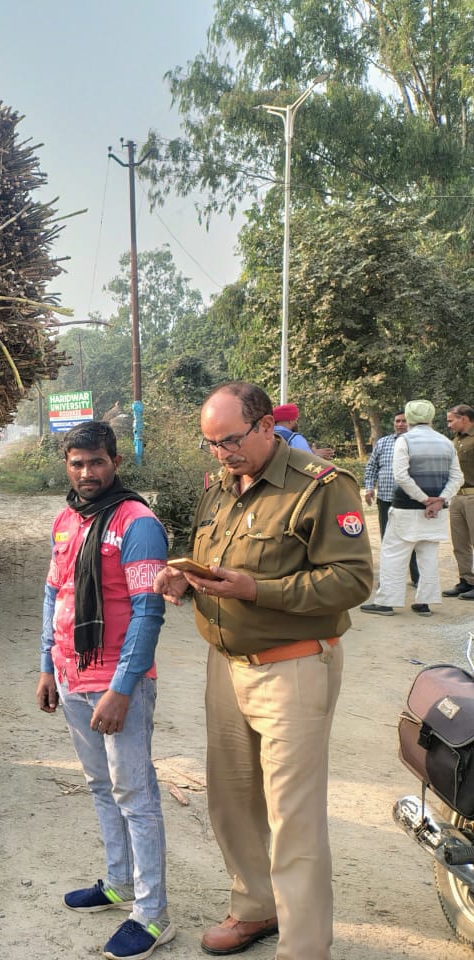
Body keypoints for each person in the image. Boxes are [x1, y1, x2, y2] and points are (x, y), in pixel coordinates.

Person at [153, 381, 372, 960]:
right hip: (224, 666)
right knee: (232, 798)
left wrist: (258, 590)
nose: (222, 454)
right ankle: (255, 908)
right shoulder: (220, 489)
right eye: (211, 444)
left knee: (292, 818)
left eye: (230, 440)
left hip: (292, 665)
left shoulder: (321, 487)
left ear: (266, 424)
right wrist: (186, 581)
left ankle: (303, 948)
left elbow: (352, 581)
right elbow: (217, 563)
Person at [35, 420, 173, 960]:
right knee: (100, 786)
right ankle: (118, 883)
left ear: (114, 461)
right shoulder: (67, 520)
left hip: (118, 683)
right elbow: (53, 594)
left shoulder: (137, 523)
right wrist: (46, 666)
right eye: (77, 463)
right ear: (67, 466)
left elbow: (147, 611)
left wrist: (121, 687)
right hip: (70, 676)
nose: (87, 472)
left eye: (96, 462)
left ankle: (152, 913)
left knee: (135, 794)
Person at [361, 400, 463, 617]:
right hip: (436, 511)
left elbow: (401, 476)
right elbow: (457, 477)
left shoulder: (405, 440)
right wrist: (439, 500)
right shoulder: (445, 442)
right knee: (428, 556)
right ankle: (424, 603)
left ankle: (386, 602)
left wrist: (425, 499)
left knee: (393, 554)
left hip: (406, 509)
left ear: (409, 418)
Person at [363, 410, 419, 586]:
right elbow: (371, 466)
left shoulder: (417, 444)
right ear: (393, 423)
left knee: (412, 540)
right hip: (386, 500)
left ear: (410, 423)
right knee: (387, 540)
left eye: (404, 421)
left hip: (411, 502)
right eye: (397, 421)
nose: (400, 424)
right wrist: (369, 488)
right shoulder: (383, 443)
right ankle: (388, 581)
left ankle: (417, 578)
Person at [444, 403, 474, 599]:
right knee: (460, 543)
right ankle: (467, 580)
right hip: (458, 496)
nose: (449, 424)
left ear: (464, 418)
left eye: (451, 420)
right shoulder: (455, 441)